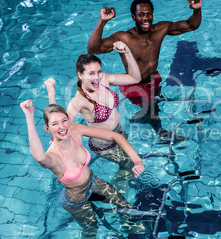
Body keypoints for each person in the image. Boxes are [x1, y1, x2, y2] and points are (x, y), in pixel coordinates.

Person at [20, 100, 145, 238]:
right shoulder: (52, 157)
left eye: (64, 120)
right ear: (47, 129)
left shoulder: (75, 130)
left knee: (125, 206)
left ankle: (128, 226)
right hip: (75, 199)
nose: (62, 127)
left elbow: (116, 136)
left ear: (69, 119)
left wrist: (137, 160)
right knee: (92, 229)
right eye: (55, 124)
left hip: (94, 182)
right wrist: (29, 117)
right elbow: (39, 158)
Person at [87, 0, 202, 140]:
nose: (145, 18)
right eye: (141, 14)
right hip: (134, 85)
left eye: (148, 14)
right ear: (133, 16)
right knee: (153, 109)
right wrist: (102, 21)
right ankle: (161, 133)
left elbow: (191, 25)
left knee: (155, 101)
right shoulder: (124, 38)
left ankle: (141, 116)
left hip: (153, 78)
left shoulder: (160, 29)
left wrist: (197, 10)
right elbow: (93, 48)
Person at [45, 41, 141, 183]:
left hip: (118, 132)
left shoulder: (105, 79)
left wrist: (127, 52)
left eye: (99, 71)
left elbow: (135, 78)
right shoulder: (79, 101)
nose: (97, 77)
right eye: (91, 73)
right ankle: (117, 186)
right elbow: (58, 122)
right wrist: (51, 95)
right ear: (80, 74)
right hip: (104, 145)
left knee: (128, 163)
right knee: (129, 165)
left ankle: (127, 180)